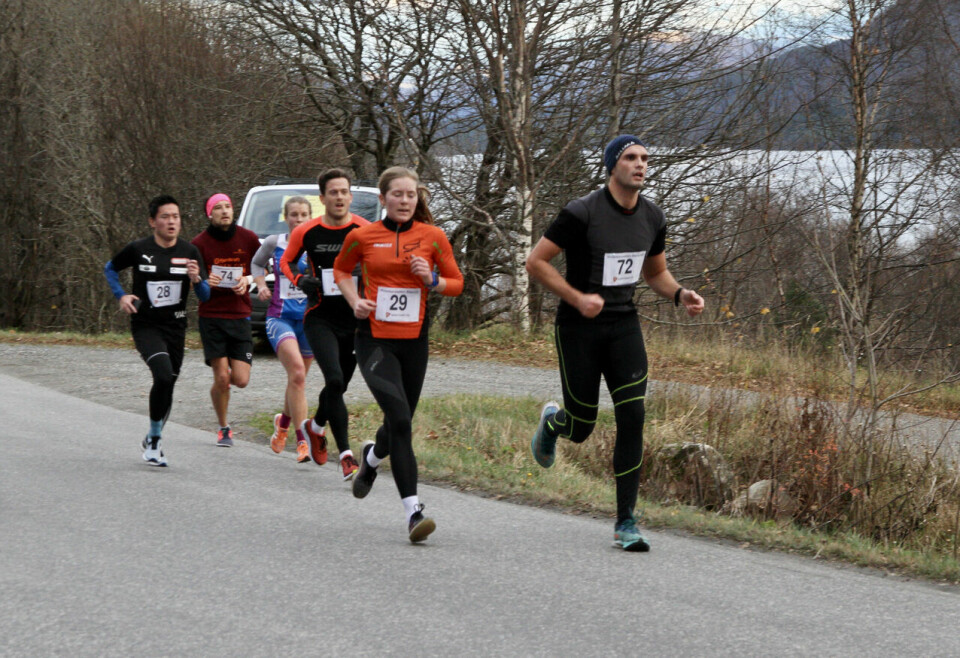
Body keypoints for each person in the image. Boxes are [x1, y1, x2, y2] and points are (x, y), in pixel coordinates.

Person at [526, 135, 705, 552]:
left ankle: (626, 521)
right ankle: (554, 423)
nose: (640, 164)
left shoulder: (653, 217)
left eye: (645, 158)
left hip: (623, 326)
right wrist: (576, 297)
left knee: (633, 415)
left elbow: (655, 273)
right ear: (612, 166)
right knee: (582, 426)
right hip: (578, 328)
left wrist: (681, 294)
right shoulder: (581, 212)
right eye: (630, 158)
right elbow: (536, 262)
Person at [334, 166, 463, 543]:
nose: (405, 201)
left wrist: (431, 280)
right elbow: (342, 270)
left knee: (398, 423)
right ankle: (413, 512)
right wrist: (355, 299)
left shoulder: (433, 237)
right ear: (383, 199)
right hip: (373, 339)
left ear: (417, 198)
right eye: (398, 195)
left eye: (411, 195)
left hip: (414, 341)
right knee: (402, 419)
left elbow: (457, 283)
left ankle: (372, 458)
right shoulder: (362, 237)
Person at [103, 194, 210, 467]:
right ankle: (153, 440)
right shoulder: (139, 249)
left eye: (176, 216)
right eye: (165, 216)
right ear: (153, 221)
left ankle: (154, 435)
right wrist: (121, 295)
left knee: (168, 383)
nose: (171, 222)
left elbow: (206, 296)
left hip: (176, 326)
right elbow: (110, 268)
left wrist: (196, 279)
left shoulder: (190, 252)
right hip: (146, 325)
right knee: (162, 375)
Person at [279, 170, 370, 480]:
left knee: (340, 386)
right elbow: (285, 262)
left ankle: (315, 426)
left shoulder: (364, 229)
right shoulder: (307, 231)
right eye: (333, 192)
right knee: (333, 380)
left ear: (351, 196)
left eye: (344, 191)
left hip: (355, 321)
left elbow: (381, 265)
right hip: (319, 317)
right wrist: (300, 279)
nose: (340, 197)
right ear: (323, 198)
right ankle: (345, 455)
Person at [191, 192, 262, 447]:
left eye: (228, 206)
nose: (224, 211)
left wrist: (249, 280)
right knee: (222, 377)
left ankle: (218, 388)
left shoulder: (248, 238)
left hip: (240, 314)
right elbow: (197, 286)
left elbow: (262, 268)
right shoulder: (199, 243)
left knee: (240, 380)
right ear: (210, 214)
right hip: (212, 316)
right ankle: (224, 428)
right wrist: (204, 281)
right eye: (218, 208)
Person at [252, 196, 315, 463]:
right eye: (293, 215)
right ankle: (303, 443)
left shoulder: (316, 244)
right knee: (298, 374)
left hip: (310, 320)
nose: (298, 220)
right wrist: (262, 285)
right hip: (279, 318)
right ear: (286, 217)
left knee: (296, 381)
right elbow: (256, 264)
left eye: (303, 215)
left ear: (310, 217)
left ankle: (283, 422)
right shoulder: (273, 242)